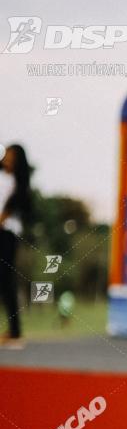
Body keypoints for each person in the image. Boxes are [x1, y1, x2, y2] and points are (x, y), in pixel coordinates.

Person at [0, 144, 33, 348]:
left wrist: (5, 216)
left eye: (12, 157)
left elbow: (21, 209)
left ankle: (15, 330)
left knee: (5, 279)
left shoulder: (20, 186)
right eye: (7, 156)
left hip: (7, 234)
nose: (8, 160)